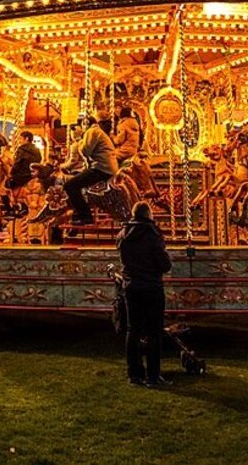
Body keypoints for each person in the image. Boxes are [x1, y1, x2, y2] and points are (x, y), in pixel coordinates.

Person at [117, 201, 172, 387]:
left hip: (131, 286)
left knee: (133, 330)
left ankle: (134, 374)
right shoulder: (152, 234)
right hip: (151, 287)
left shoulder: (123, 234)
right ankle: (153, 376)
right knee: (154, 332)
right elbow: (164, 265)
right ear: (148, 214)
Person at [64, 113, 118, 225]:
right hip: (104, 166)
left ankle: (85, 215)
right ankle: (79, 213)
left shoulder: (92, 132)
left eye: (82, 125)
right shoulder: (97, 132)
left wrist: (79, 141)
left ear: (86, 123)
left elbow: (85, 151)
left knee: (69, 185)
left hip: (101, 168)